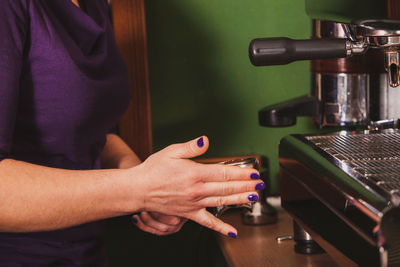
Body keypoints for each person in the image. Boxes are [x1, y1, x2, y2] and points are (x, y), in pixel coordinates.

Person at [0, 0, 263, 265]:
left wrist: (144, 177)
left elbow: (91, 133)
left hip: (84, 253)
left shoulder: (95, 6)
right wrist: (141, 188)